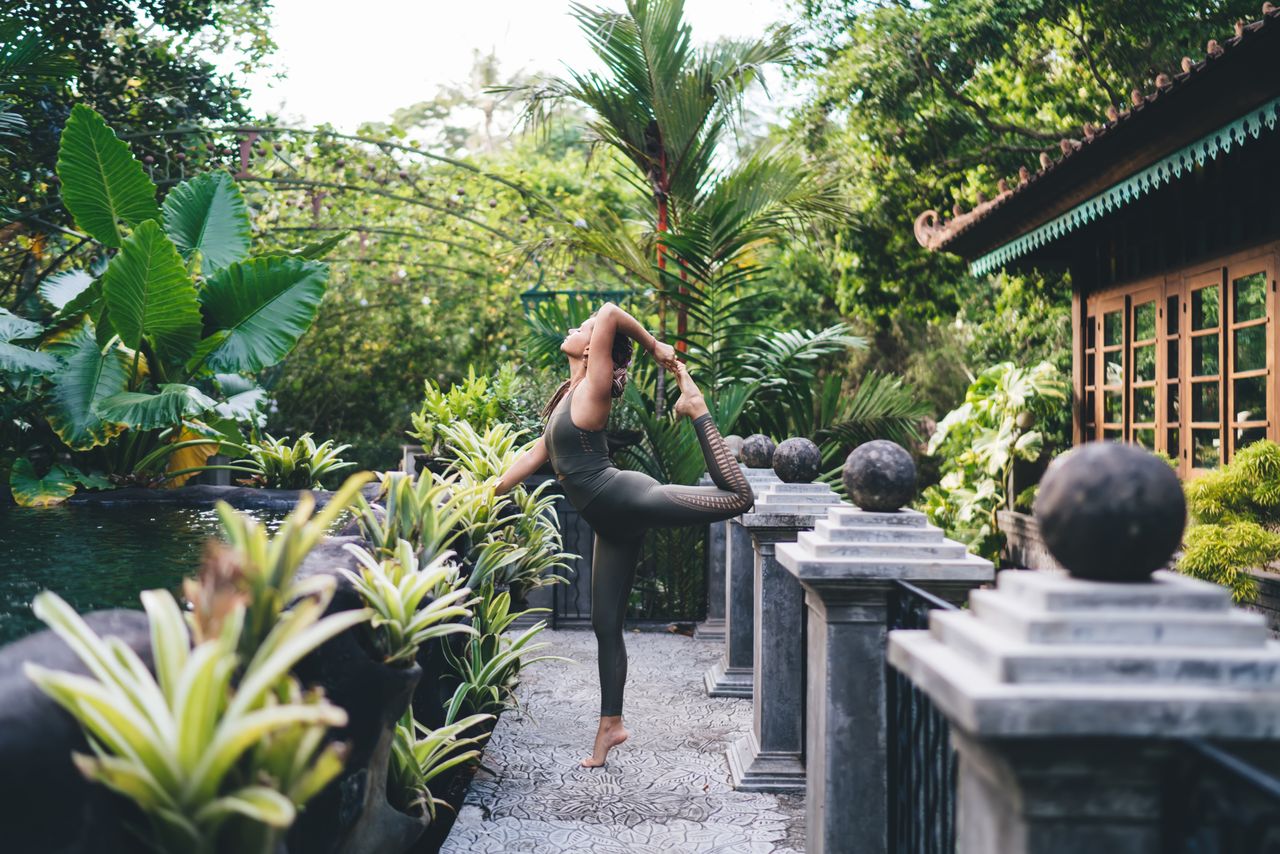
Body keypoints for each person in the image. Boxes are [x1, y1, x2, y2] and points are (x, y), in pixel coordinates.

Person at [495, 301, 753, 767]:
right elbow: (536, 453)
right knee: (604, 624)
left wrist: (654, 347)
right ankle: (609, 727)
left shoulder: (594, 387)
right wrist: (487, 491)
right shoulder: (571, 395)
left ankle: (695, 407)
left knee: (737, 498)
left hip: (626, 498)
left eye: (586, 327)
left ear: (596, 349)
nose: (578, 327)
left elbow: (612, 310)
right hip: (608, 521)